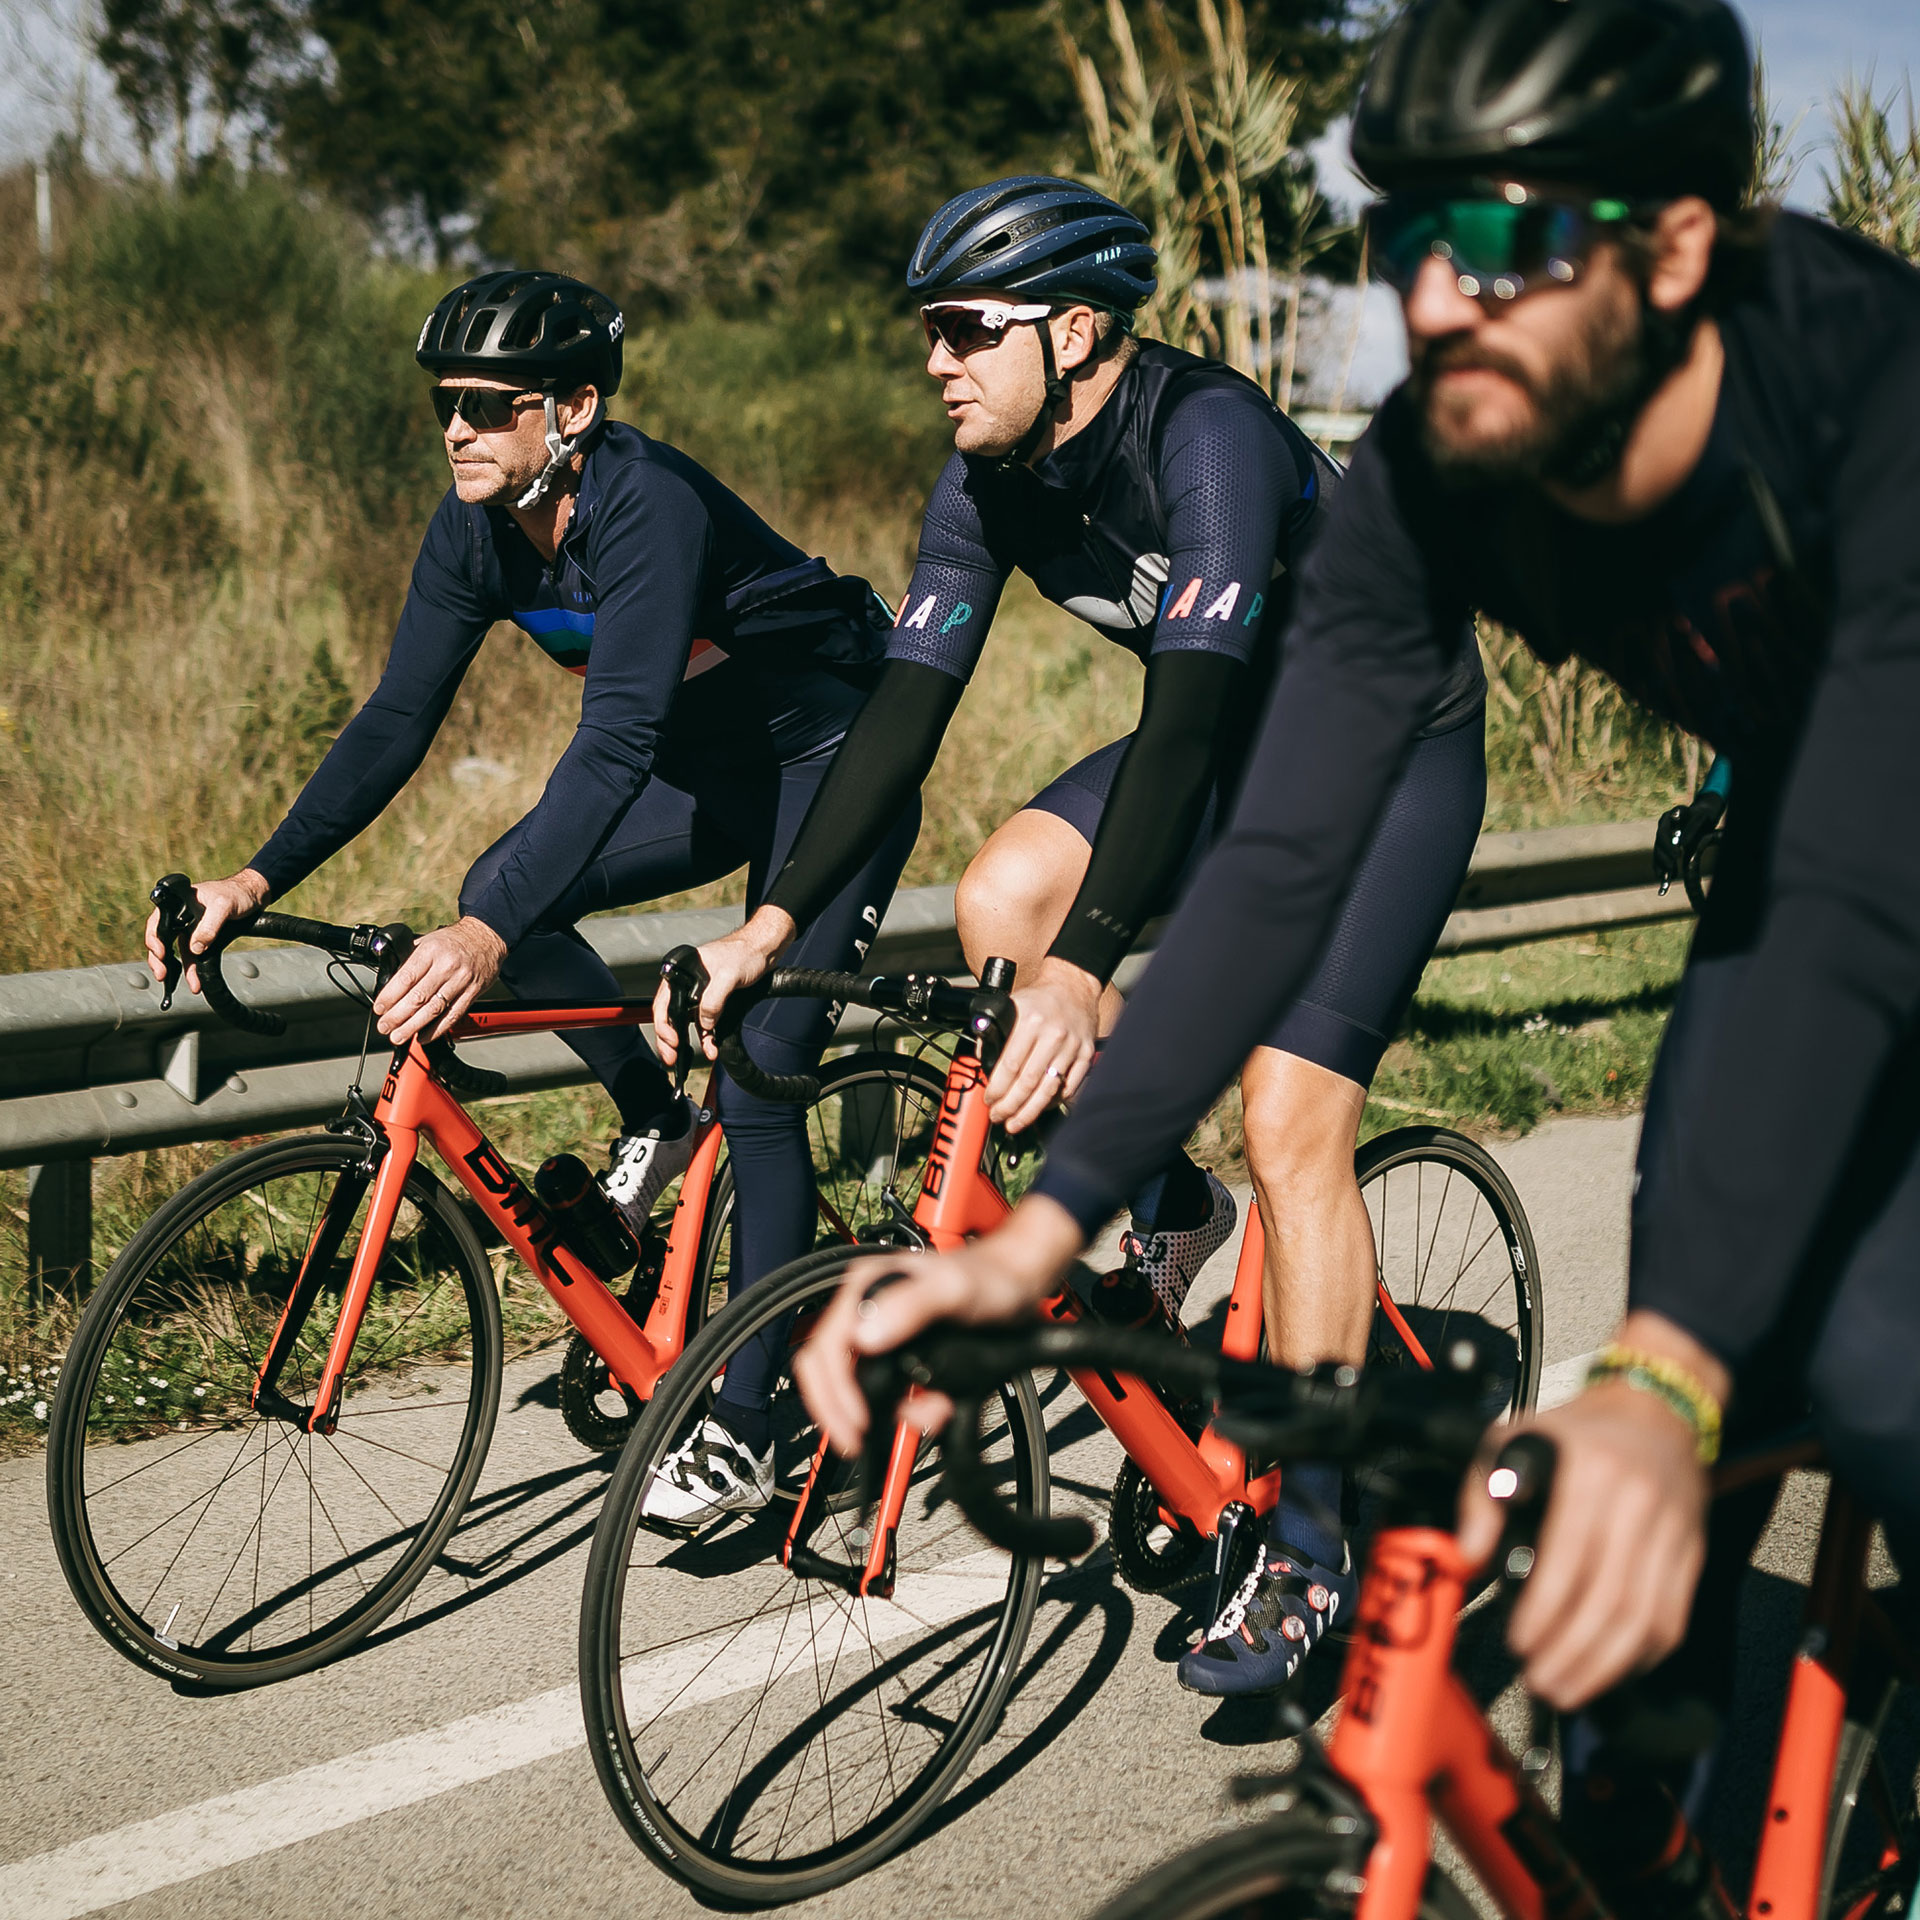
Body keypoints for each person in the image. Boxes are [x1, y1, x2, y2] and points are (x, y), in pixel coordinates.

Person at [798, 0, 1920, 1902]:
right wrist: (1051, 1232)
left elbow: (1850, 904)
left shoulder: (1865, 400)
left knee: (1867, 1365)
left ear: (1670, 252)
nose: (1435, 295)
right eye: (1406, 235)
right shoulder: (1428, 465)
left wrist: (1660, 1380)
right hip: (1807, 851)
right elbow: (1282, 851)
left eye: (1494, 238)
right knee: (1641, 1558)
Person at [656, 177, 1489, 1685]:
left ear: (1078, 328)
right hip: (1243, 739)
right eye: (929, 333)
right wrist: (765, 928)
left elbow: (1178, 729)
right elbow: (900, 722)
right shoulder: (979, 481)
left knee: (1292, 1117)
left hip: (1390, 747)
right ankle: (1174, 1211)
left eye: (967, 330)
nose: (936, 363)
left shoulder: (1209, 437)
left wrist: (1088, 970)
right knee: (996, 897)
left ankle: (1307, 1551)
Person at [142, 270, 918, 1524]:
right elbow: (397, 718)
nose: (458, 428)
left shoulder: (646, 505)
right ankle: (656, 1124)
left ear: (573, 408)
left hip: (830, 770)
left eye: (491, 406)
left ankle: (751, 1424)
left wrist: (483, 931)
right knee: (503, 893)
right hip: (712, 779)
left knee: (760, 1063)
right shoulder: (477, 525)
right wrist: (254, 873)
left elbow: (611, 748)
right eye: (446, 403)